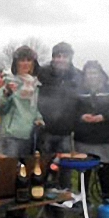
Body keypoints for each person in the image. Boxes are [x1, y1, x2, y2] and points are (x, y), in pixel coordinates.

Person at [37, 42, 83, 189]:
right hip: (45, 131)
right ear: (53, 58)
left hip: (66, 132)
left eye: (64, 56)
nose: (61, 59)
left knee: (65, 168)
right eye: (58, 56)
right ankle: (44, 198)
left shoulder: (78, 76)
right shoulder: (42, 73)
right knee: (43, 166)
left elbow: (82, 101)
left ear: (70, 58)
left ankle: (63, 198)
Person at [73, 60, 109, 202]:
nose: (92, 76)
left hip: (104, 139)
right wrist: (81, 117)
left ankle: (107, 204)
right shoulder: (78, 91)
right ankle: (83, 205)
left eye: (95, 72)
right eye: (89, 73)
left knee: (104, 174)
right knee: (84, 175)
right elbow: (71, 112)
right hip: (83, 139)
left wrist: (104, 117)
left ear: (101, 74)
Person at [0, 45, 44, 158]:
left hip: (29, 135)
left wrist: (39, 119)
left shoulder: (35, 84)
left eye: (29, 60)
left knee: (27, 172)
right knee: (11, 172)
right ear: (16, 63)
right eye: (22, 60)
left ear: (33, 63)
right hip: (11, 136)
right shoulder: (8, 81)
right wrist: (7, 93)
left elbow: (33, 108)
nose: (25, 63)